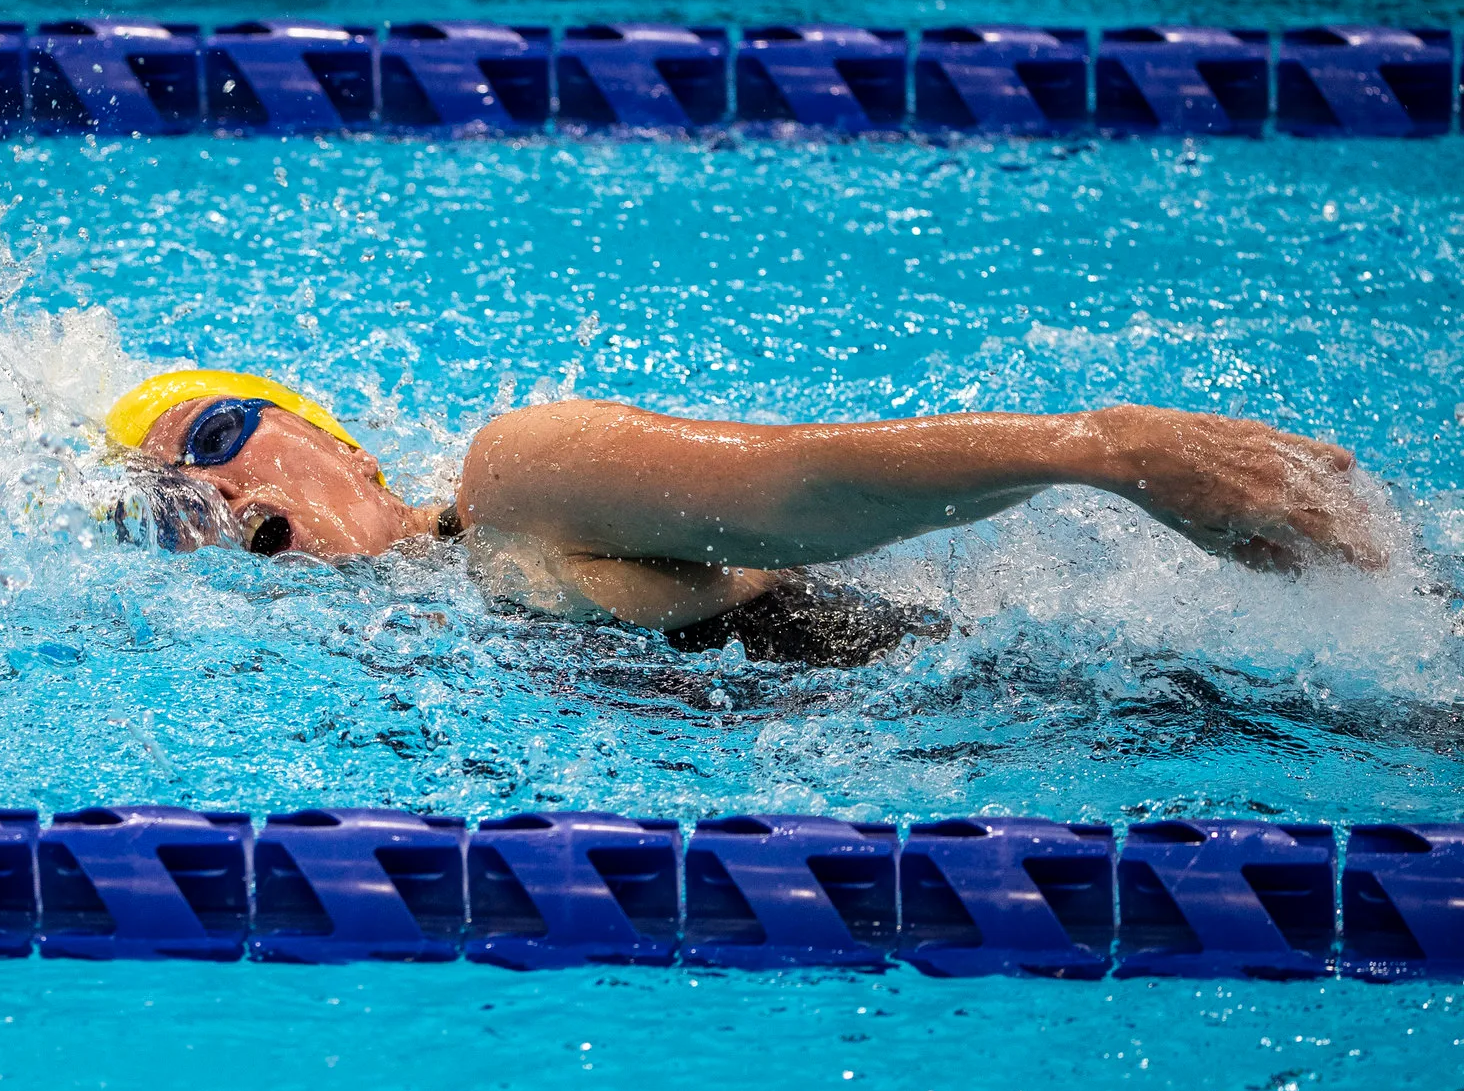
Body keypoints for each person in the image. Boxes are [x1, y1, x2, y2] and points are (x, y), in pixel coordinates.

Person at [104, 369, 1383, 664]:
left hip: (1103, 712)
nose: (212, 492)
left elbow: (796, 487)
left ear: (333, 437)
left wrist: (1108, 452)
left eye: (215, 437)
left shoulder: (517, 485)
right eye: (172, 505)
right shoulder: (396, 647)